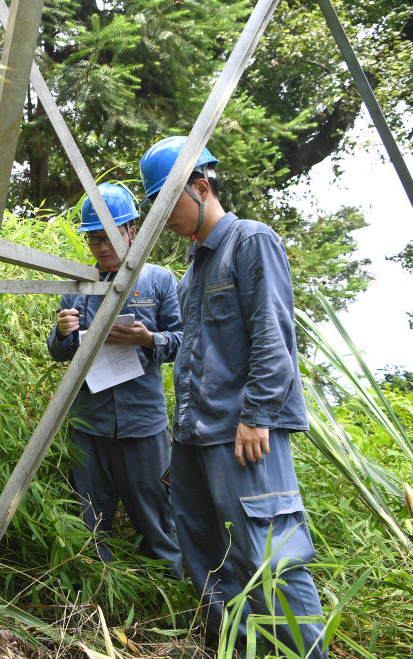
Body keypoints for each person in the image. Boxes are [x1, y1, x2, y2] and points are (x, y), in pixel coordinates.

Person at [139, 136, 327, 656]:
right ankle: (234, 650)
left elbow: (273, 335)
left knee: (271, 559)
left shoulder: (251, 241)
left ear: (201, 187)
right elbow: (193, 352)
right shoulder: (192, 272)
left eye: (167, 203)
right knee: (208, 557)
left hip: (244, 434)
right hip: (194, 438)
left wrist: (258, 415)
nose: (162, 218)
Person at [48, 182, 183, 578]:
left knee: (156, 520)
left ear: (132, 231)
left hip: (143, 426)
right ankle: (97, 596)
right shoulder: (78, 286)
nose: (101, 247)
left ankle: (172, 591)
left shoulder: (159, 281)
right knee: (91, 525)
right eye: (94, 239)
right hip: (89, 426)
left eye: (109, 236)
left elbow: (184, 341)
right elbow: (59, 352)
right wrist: (62, 333)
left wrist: (148, 339)